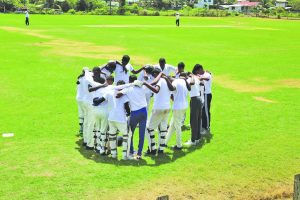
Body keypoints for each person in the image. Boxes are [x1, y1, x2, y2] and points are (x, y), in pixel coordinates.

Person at [116, 75, 157, 160]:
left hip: (134, 113)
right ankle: (139, 153)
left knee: (130, 133)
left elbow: (118, 95)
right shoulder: (142, 88)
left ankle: (131, 151)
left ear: (130, 81)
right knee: (141, 134)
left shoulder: (128, 89)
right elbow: (152, 86)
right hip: (144, 112)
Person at [145, 69, 175, 155]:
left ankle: (152, 148)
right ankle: (161, 149)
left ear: (156, 74)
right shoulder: (167, 80)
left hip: (158, 108)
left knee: (149, 128)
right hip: (167, 108)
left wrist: (146, 84)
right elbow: (172, 89)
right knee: (163, 129)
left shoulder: (161, 81)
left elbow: (156, 90)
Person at [165, 72, 190, 150]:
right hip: (184, 106)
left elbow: (172, 89)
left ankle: (179, 145)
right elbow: (189, 88)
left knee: (177, 126)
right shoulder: (183, 81)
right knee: (172, 124)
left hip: (178, 107)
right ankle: (165, 142)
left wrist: (166, 80)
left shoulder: (175, 82)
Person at [185, 64, 205, 146]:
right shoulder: (196, 78)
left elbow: (190, 86)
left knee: (193, 121)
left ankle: (193, 140)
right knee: (198, 120)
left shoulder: (190, 79)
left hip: (194, 99)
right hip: (199, 99)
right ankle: (197, 138)